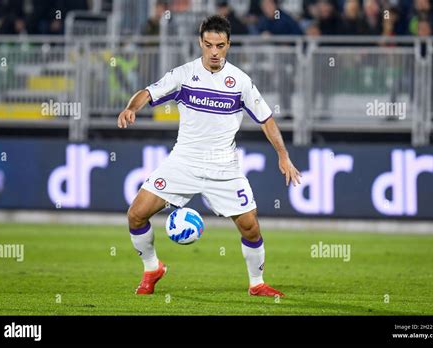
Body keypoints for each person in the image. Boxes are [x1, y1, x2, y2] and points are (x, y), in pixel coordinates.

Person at [117, 15, 300, 297]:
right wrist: (132, 108)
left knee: (250, 227)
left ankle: (256, 283)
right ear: (200, 42)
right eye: (209, 44)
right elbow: (148, 92)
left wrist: (283, 156)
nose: (214, 52)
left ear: (229, 44)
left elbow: (266, 120)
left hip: (223, 166)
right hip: (183, 161)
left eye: (220, 46)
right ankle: (152, 268)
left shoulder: (240, 82)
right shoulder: (183, 75)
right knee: (136, 215)